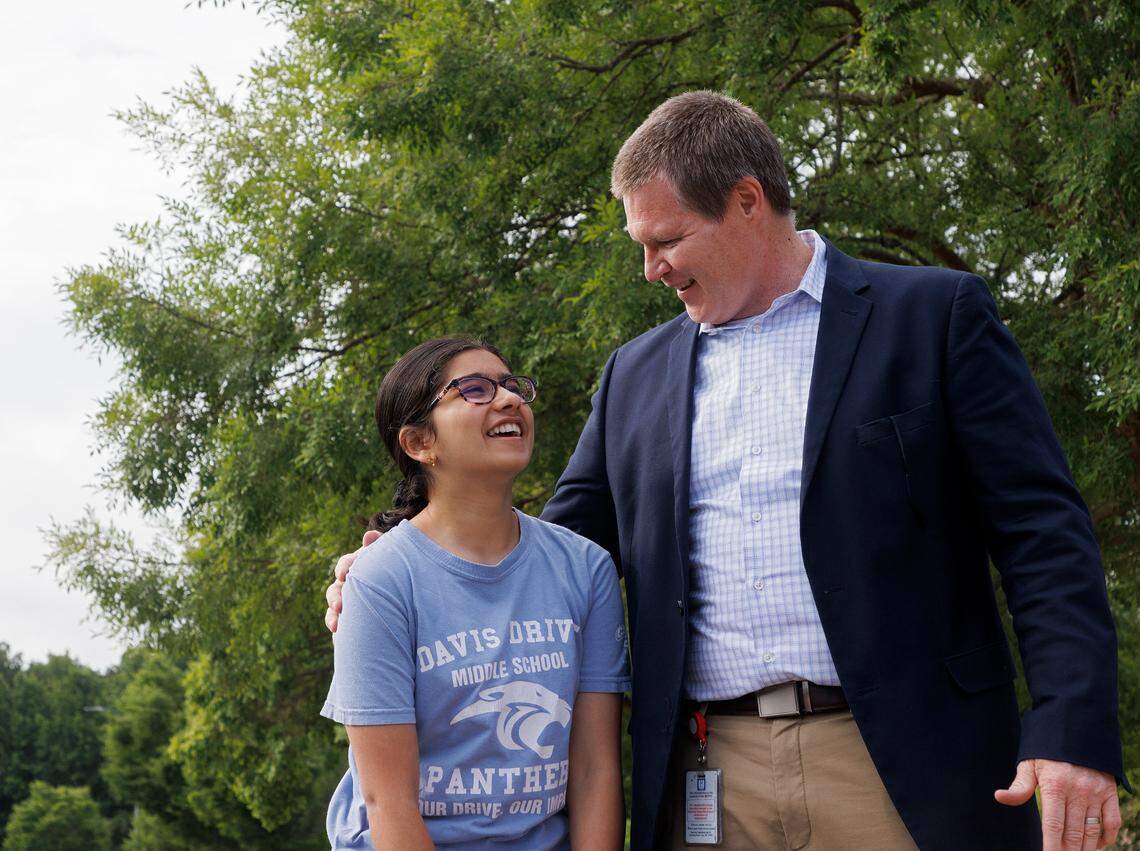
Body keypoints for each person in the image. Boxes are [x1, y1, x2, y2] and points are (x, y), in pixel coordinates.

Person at [326, 93, 1126, 850]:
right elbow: (548, 549)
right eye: (642, 244)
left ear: (747, 201)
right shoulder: (633, 374)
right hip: (707, 775)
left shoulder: (934, 316)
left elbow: (1041, 531)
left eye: (666, 239)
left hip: (902, 765)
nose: (651, 267)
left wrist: (1071, 728)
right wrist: (394, 563)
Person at [321, 336, 629, 850]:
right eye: (475, 390)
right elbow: (386, 801)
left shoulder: (586, 569)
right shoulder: (381, 581)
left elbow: (596, 771)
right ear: (420, 443)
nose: (509, 399)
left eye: (512, 386)